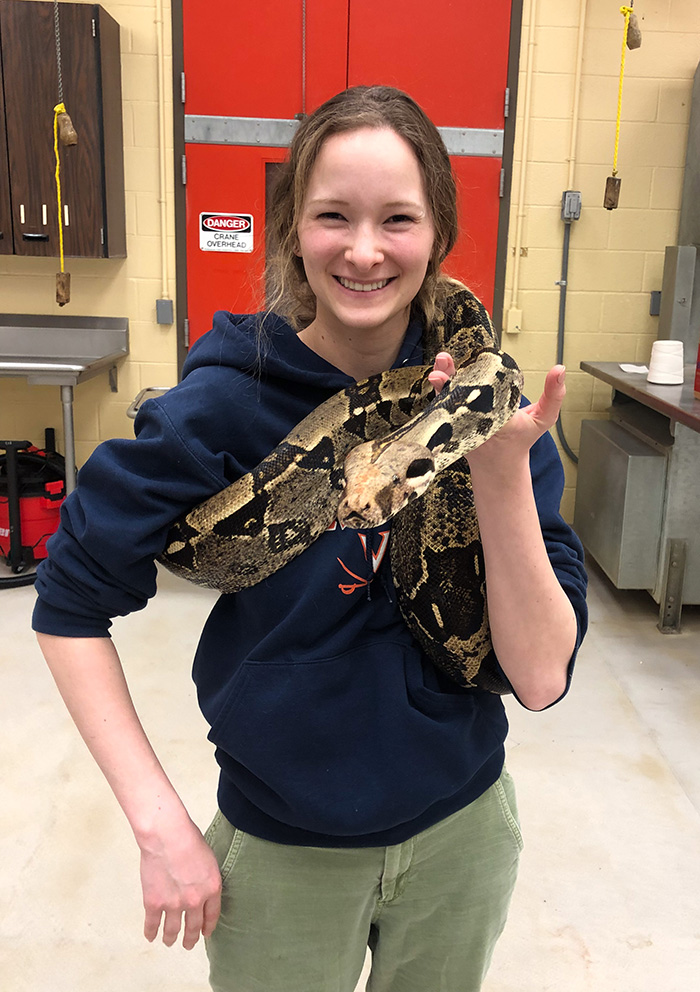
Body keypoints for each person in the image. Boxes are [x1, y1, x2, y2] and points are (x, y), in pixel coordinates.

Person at [34, 85, 587, 992]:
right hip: (283, 845)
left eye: (397, 220)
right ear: (292, 227)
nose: (364, 250)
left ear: (438, 234)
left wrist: (495, 472)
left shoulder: (493, 408)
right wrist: (158, 824)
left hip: (464, 833)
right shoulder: (218, 406)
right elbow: (66, 607)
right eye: (334, 216)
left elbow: (540, 677)